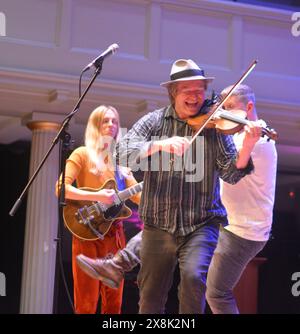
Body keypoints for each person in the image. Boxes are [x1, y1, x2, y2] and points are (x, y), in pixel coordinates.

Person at [76, 59, 262, 314]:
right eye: (189, 90)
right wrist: (158, 145)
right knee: (150, 299)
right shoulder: (154, 122)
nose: (196, 97)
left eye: (200, 90)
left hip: (201, 223)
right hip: (157, 224)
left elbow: (230, 173)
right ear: (174, 92)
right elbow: (120, 153)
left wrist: (248, 146)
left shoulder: (215, 127)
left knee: (194, 278)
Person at [56, 105, 140, 314]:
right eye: (106, 121)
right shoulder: (82, 154)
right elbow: (60, 189)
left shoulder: (120, 161)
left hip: (115, 235)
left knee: (114, 304)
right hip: (88, 233)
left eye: (115, 121)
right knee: (86, 302)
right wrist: (97, 195)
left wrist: (160, 187)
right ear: (95, 125)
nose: (111, 125)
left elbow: (138, 196)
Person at [205, 84, 277, 314]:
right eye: (223, 108)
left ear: (248, 107)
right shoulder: (239, 136)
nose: (224, 114)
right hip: (231, 224)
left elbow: (228, 165)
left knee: (216, 293)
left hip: (244, 231)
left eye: (230, 108)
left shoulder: (258, 142)